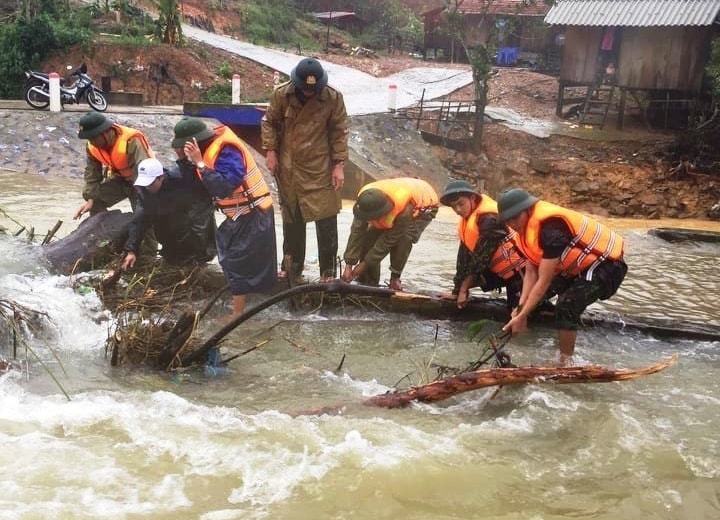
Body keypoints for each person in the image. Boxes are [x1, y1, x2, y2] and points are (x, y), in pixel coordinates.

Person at [497, 188, 628, 365]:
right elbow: (531, 271)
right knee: (525, 301)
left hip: (605, 266)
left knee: (566, 304)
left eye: (516, 217)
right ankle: (560, 328)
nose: (513, 223)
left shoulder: (551, 229)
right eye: (508, 220)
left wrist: (521, 315)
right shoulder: (522, 234)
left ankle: (565, 361)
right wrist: (521, 310)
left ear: (527, 210)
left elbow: (543, 280)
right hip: (575, 267)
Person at [174, 117, 277, 317]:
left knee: (234, 260)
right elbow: (195, 185)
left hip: (254, 214)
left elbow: (223, 187)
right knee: (226, 250)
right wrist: (183, 161)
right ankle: (248, 304)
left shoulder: (227, 151)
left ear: (195, 143)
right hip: (238, 215)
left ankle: (237, 314)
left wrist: (200, 163)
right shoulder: (204, 153)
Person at [261, 57, 349, 282]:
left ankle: (327, 272)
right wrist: (271, 152)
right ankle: (292, 268)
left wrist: (338, 165)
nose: (309, 93)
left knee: (327, 220)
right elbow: (269, 122)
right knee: (293, 219)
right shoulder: (282, 94)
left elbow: (339, 131)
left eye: (314, 90)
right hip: (289, 165)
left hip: (320, 165)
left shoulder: (333, 97)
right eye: (305, 89)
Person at [439, 180, 526, 309]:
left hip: (521, 272)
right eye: (453, 206)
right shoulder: (468, 220)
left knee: (517, 314)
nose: (457, 210)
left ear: (473, 198)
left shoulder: (489, 219)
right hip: (501, 272)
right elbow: (463, 257)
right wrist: (457, 291)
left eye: (461, 204)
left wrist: (464, 290)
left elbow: (481, 259)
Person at [341, 177, 439, 291]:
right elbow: (357, 232)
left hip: (423, 208)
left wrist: (364, 264)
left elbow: (388, 241)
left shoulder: (403, 209)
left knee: (404, 238)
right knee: (368, 237)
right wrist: (349, 265)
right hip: (400, 193)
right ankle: (368, 280)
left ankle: (395, 279)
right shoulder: (364, 201)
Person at [120, 157, 217, 270]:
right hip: (169, 234)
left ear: (160, 178)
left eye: (150, 183)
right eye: (144, 183)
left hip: (193, 226)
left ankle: (201, 261)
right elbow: (138, 222)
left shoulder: (180, 181)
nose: (147, 187)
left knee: (198, 245)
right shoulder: (144, 193)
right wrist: (131, 250)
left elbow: (203, 206)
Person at [73, 112, 154, 219]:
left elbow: (144, 171)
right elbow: (92, 173)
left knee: (142, 217)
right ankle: (100, 233)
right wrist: (91, 199)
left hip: (141, 183)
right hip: (120, 180)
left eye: (94, 137)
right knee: (95, 200)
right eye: (89, 138)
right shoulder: (91, 146)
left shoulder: (131, 140)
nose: (92, 142)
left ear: (105, 132)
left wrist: (143, 198)